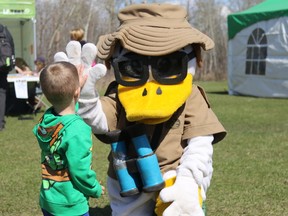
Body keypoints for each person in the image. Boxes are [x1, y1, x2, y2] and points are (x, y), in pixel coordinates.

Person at [55, 3, 226, 216]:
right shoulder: (119, 92)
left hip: (174, 176)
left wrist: (189, 179)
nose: (151, 79)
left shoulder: (190, 95)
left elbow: (200, 144)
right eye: (133, 66)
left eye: (169, 64)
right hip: (128, 179)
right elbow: (101, 122)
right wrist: (87, 98)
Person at [32, 61, 104, 216]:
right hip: (71, 205)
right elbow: (79, 171)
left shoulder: (48, 119)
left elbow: (67, 109)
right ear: (77, 93)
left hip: (49, 200)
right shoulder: (78, 130)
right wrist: (95, 188)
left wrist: (76, 89)